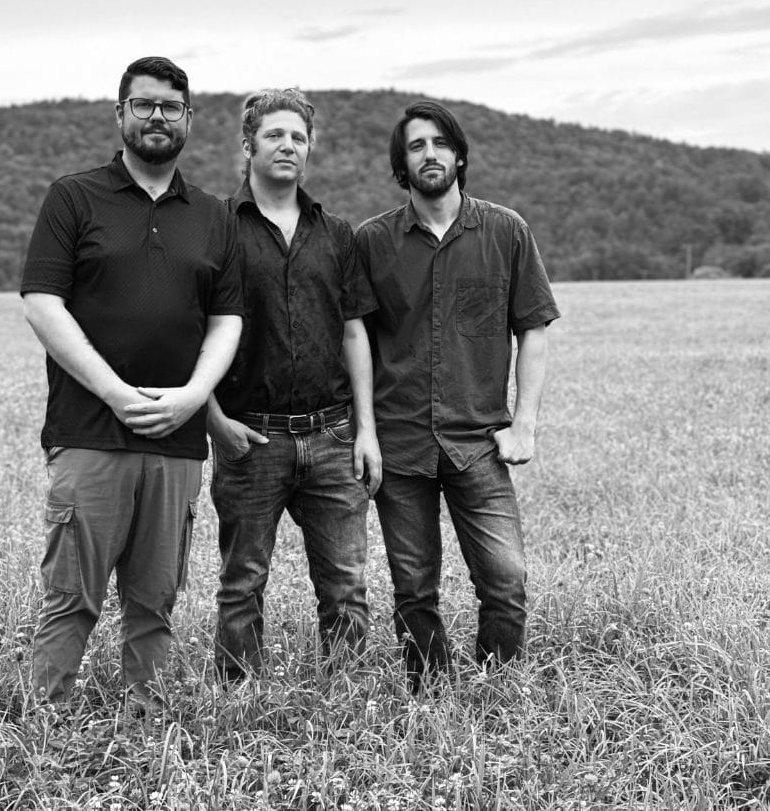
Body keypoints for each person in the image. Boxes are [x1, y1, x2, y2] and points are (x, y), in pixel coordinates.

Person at [20, 56, 243, 712]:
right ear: (120, 115)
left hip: (177, 440)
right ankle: (45, 729)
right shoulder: (73, 196)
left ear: (189, 121)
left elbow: (228, 319)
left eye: (170, 107)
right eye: (143, 105)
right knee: (71, 598)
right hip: (90, 434)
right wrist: (115, 392)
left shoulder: (213, 215)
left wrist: (193, 395)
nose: (156, 117)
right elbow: (42, 303)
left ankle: (146, 733)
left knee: (154, 602)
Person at [355, 100, 560, 690]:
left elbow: (533, 332)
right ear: (403, 163)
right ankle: (430, 687)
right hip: (400, 441)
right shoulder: (373, 241)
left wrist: (524, 424)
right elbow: (359, 344)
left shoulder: (505, 230)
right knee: (414, 585)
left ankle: (495, 683)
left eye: (440, 143)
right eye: (416, 146)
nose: (430, 154)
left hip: (479, 439)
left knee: (506, 576)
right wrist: (364, 431)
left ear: (459, 154)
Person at [207, 87, 381, 682]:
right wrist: (214, 421)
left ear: (310, 150)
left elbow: (354, 333)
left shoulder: (336, 233)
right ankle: (238, 702)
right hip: (248, 438)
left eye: (299, 137)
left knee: (346, 587)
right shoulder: (216, 229)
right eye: (275, 135)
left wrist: (367, 432)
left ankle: (347, 705)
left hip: (333, 436)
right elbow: (190, 333)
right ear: (249, 143)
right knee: (241, 585)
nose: (288, 146)